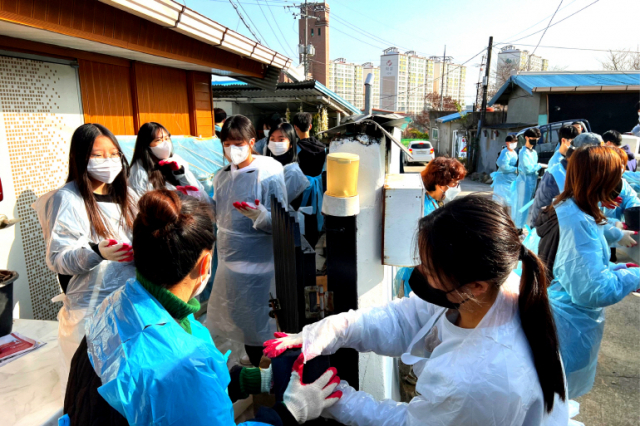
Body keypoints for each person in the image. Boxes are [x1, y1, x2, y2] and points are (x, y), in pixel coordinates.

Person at [265, 195, 570, 425]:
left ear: (476, 285)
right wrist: (332, 330)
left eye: (430, 269)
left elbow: (411, 423)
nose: (420, 272)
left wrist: (337, 399)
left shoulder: (478, 379)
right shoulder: (494, 290)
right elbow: (402, 320)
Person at [62, 189, 341, 426]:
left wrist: (254, 379)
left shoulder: (119, 304)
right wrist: (289, 412)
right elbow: (188, 388)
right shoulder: (183, 365)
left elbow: (185, 398)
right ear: (206, 263)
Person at [33, 123, 138, 379]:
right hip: (90, 310)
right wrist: (96, 252)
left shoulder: (128, 195)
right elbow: (58, 258)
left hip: (130, 302)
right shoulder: (68, 199)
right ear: (80, 157)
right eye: (98, 155)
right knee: (91, 382)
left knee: (127, 377)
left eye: (114, 154)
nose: (108, 161)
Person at [540, 146, 640, 399]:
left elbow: (581, 266)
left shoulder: (571, 206)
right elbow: (594, 290)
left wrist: (619, 266)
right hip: (569, 325)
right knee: (557, 394)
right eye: (616, 177)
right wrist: (634, 277)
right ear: (600, 180)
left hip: (562, 315)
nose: (620, 185)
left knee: (554, 394)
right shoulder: (578, 223)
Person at [206, 115, 288, 367]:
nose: (233, 150)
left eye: (238, 144)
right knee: (240, 317)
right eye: (227, 144)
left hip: (260, 265)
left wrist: (262, 217)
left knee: (264, 319)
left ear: (252, 142)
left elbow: (282, 223)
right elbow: (219, 213)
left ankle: (269, 365)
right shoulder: (221, 176)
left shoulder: (268, 173)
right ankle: (255, 360)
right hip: (230, 263)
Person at [529, 133, 604, 228]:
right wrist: (536, 232)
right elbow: (540, 211)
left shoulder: (583, 173)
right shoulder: (556, 175)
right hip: (558, 232)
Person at [129, 122, 210, 203]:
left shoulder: (176, 160)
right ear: (146, 145)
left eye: (167, 139)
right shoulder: (139, 172)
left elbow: (198, 194)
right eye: (158, 140)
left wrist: (180, 172)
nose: (165, 143)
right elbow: (143, 202)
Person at [266, 122, 310, 209]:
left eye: (281, 139)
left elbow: (280, 202)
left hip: (281, 216)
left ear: (291, 144)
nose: (276, 143)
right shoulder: (269, 165)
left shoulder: (292, 172)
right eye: (272, 139)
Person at [512, 127, 544, 228]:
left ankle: (520, 227)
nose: (535, 141)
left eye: (537, 139)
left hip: (532, 183)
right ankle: (518, 228)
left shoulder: (534, 153)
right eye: (533, 139)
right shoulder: (523, 152)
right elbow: (528, 169)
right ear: (526, 137)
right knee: (521, 206)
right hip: (524, 183)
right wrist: (539, 165)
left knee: (526, 207)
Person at [292, 112, 327, 177]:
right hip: (319, 182)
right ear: (310, 126)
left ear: (295, 127)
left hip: (302, 182)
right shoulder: (323, 147)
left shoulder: (296, 148)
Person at [491, 135, 518, 208]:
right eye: (512, 142)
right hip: (503, 180)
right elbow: (503, 166)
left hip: (511, 180)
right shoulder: (505, 153)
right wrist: (515, 169)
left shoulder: (514, 152)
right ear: (507, 143)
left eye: (515, 142)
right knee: (500, 202)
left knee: (509, 203)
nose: (514, 144)